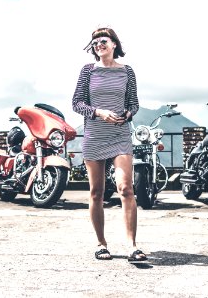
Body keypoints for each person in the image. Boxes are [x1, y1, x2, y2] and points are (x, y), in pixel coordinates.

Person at [72, 27, 147, 262]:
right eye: (94, 43)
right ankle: (101, 243)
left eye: (103, 40)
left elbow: (133, 103)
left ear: (114, 44)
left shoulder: (127, 71)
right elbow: (77, 103)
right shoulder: (88, 71)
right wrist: (98, 112)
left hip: (119, 134)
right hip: (94, 135)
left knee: (126, 188)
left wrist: (128, 113)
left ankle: (132, 245)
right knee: (97, 192)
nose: (98, 45)